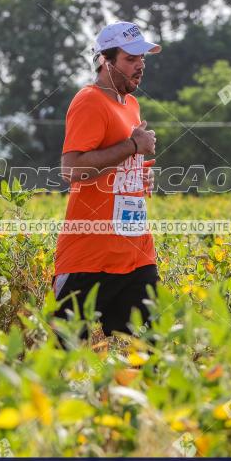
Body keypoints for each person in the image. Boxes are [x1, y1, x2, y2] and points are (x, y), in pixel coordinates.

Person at [52, 21, 161, 339]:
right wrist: (132, 146)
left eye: (143, 58)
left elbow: (115, 167)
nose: (140, 65)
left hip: (135, 257)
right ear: (106, 61)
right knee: (64, 361)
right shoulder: (89, 101)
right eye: (131, 59)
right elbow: (72, 170)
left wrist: (138, 176)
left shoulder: (132, 105)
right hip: (90, 258)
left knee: (154, 355)